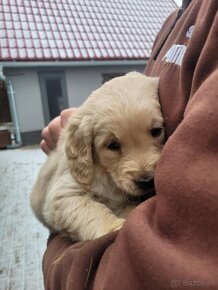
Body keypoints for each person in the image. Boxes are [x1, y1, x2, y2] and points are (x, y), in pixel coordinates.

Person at [41, 0, 218, 289]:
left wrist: (57, 250)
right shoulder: (173, 18)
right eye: (113, 146)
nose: (144, 170)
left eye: (156, 132)